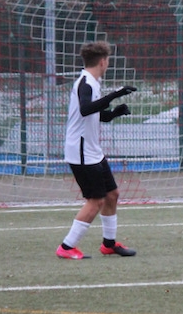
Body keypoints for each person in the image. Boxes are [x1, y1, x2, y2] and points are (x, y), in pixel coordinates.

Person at [56, 40, 137, 259]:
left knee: (112, 195)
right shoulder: (86, 83)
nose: (107, 64)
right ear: (102, 62)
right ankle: (66, 247)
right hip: (81, 153)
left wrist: (114, 113)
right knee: (96, 200)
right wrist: (114, 95)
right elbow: (85, 109)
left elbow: (94, 114)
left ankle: (109, 244)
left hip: (93, 151)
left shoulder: (92, 82)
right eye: (108, 60)